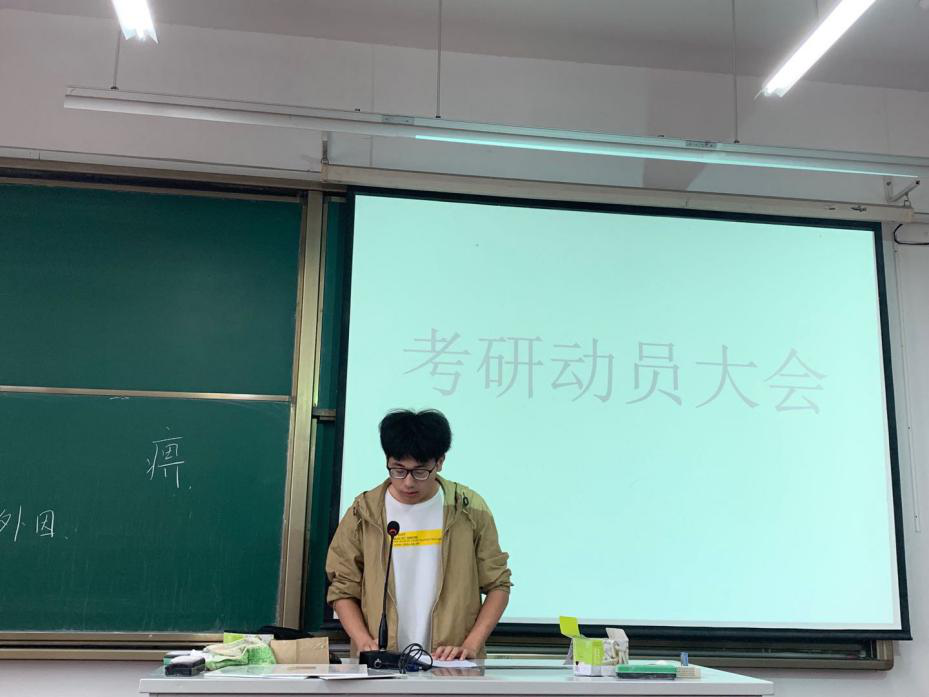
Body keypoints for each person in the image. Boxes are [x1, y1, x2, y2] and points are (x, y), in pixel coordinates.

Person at [326, 409, 511, 660]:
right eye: (398, 470)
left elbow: (498, 585)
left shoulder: (468, 509)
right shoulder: (364, 513)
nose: (408, 482)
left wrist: (470, 646)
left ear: (440, 462)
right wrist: (364, 641)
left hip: (451, 665)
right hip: (381, 665)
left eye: (420, 471)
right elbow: (342, 589)